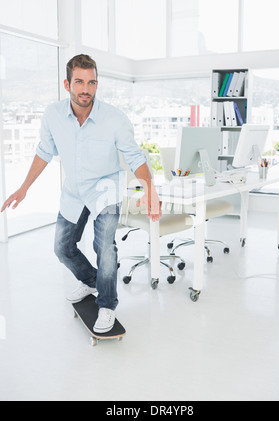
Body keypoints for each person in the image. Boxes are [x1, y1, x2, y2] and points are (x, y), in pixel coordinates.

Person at [1, 54, 161, 333]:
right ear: (67, 84)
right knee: (62, 249)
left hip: (105, 190)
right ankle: (91, 281)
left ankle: (107, 303)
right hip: (74, 191)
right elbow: (43, 152)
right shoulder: (53, 115)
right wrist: (23, 188)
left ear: (97, 84)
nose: (86, 88)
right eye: (79, 82)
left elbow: (135, 157)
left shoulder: (114, 119)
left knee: (105, 249)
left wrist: (150, 188)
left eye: (91, 82)